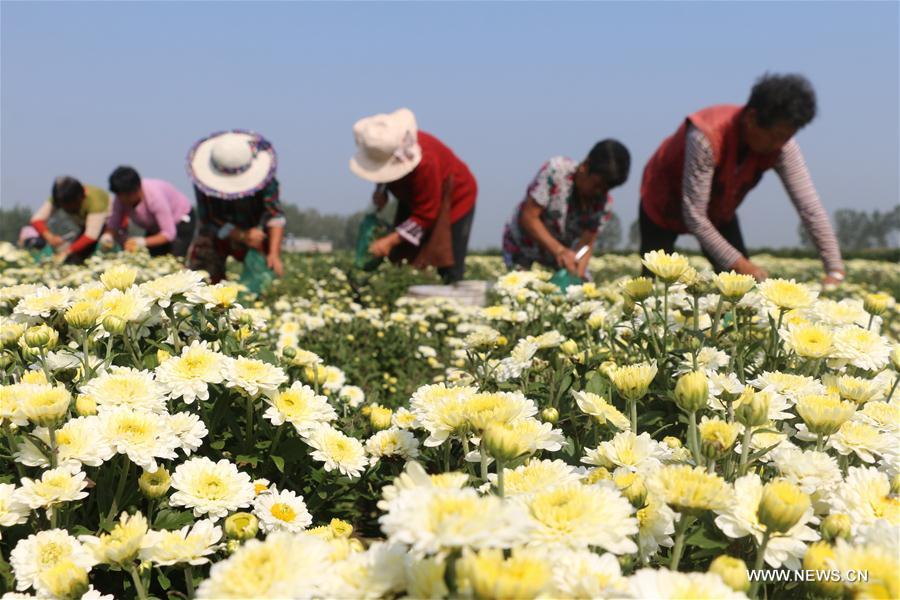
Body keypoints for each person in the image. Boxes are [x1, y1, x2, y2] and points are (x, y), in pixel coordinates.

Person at [640, 73, 845, 283]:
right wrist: (739, 264)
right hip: (664, 201)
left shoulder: (783, 146)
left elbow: (809, 206)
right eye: (775, 136)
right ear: (751, 118)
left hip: (719, 210)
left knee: (742, 290)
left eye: (787, 137)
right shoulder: (705, 136)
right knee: (653, 285)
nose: (779, 144)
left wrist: (834, 269)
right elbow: (695, 216)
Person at [350, 108, 477, 283]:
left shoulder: (426, 163)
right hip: (415, 199)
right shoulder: (388, 150)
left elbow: (426, 215)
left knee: (446, 259)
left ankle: (450, 294)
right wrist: (381, 191)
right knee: (405, 257)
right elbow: (383, 170)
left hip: (455, 198)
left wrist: (389, 241)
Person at [502, 140, 631, 278]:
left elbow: (586, 243)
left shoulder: (603, 204)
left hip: (561, 256)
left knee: (582, 289)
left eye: (607, 188)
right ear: (585, 166)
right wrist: (559, 250)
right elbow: (528, 217)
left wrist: (577, 275)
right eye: (597, 185)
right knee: (520, 290)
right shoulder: (556, 171)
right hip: (524, 246)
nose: (600, 192)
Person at [186, 130, 286, 283]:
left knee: (266, 272)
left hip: (256, 232)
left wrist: (274, 253)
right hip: (220, 230)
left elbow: (275, 215)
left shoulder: (267, 181)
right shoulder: (204, 184)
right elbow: (209, 219)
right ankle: (208, 295)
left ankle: (260, 295)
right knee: (202, 265)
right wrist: (240, 235)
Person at [102, 166, 195, 257]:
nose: (122, 199)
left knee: (176, 257)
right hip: (155, 228)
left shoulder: (154, 197)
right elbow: (113, 224)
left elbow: (169, 233)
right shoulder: (120, 199)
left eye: (126, 195)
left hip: (180, 220)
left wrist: (141, 242)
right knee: (151, 257)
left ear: (137, 189)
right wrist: (108, 237)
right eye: (119, 195)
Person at [29, 176, 110, 264]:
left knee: (102, 245)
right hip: (84, 228)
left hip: (108, 226)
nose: (66, 209)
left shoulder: (95, 200)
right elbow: (36, 220)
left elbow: (91, 235)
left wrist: (67, 251)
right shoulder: (59, 196)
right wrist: (50, 237)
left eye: (68, 205)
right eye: (63, 206)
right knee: (71, 257)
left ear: (80, 198)